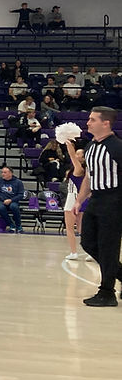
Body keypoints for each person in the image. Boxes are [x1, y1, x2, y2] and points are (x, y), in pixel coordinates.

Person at [72, 107, 122, 306]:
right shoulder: (91, 147)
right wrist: (79, 200)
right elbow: (89, 177)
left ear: (106, 123)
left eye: (92, 120)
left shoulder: (117, 147)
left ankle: (107, 292)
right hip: (95, 200)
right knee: (88, 243)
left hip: (114, 200)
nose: (88, 123)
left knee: (108, 246)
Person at [62, 138, 90, 261]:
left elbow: (72, 156)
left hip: (73, 198)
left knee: (70, 228)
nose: (77, 155)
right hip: (81, 199)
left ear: (83, 158)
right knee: (81, 228)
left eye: (80, 154)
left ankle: (74, 252)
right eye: (77, 153)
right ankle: (90, 252)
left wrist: (68, 144)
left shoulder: (79, 169)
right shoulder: (82, 169)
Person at [0, 166, 25, 234]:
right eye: (2, 172)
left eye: (5, 172)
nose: (3, 174)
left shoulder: (18, 182)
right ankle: (11, 224)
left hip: (12, 200)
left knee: (14, 207)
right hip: (1, 200)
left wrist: (11, 200)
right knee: (0, 207)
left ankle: (19, 226)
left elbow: (20, 195)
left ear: (10, 173)